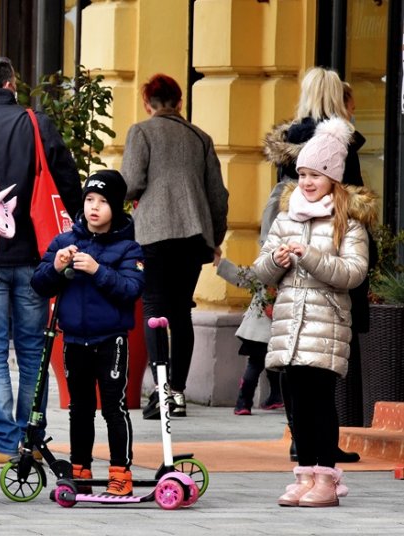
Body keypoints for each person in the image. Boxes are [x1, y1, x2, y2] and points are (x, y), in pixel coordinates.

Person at [0, 55, 82, 466]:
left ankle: (2, 443)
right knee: (33, 349)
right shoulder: (35, 123)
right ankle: (32, 435)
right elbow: (67, 182)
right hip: (36, 253)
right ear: (12, 83)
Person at [253, 117, 375, 508]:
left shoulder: (349, 225)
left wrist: (312, 257)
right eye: (302, 174)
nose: (306, 182)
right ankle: (305, 474)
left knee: (320, 402)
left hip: (326, 326)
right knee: (296, 404)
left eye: (315, 175)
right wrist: (276, 258)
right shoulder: (287, 218)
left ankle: (326, 476)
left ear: (333, 178)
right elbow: (260, 271)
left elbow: (353, 274)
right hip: (289, 325)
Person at [262, 68, 368, 461]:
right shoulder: (339, 146)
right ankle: (317, 452)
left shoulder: (290, 142)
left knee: (297, 363)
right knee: (325, 363)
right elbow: (352, 201)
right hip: (326, 264)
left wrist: (278, 257)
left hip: (299, 270)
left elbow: (281, 208)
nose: (308, 182)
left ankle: (308, 449)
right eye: (303, 176)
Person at [121, 73, 228, 419]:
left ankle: (161, 393)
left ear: (147, 104)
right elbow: (218, 196)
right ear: (179, 102)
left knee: (153, 308)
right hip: (194, 236)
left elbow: (132, 183)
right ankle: (178, 392)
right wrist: (215, 238)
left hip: (153, 234)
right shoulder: (201, 138)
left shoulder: (141, 132)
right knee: (181, 312)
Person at [31, 170, 145, 496]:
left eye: (104, 202)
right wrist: (56, 268)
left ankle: (120, 471)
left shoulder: (128, 248)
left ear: (117, 207)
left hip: (111, 339)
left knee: (113, 407)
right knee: (80, 408)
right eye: (90, 200)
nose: (94, 208)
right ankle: (79, 469)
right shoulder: (64, 242)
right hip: (74, 340)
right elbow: (39, 284)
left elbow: (130, 289)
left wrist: (97, 271)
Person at [214, 258, 283, 415]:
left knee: (255, 365)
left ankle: (243, 403)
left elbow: (242, 277)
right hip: (279, 331)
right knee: (275, 364)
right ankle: (276, 396)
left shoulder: (266, 270)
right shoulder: (294, 274)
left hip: (258, 332)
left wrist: (220, 264)